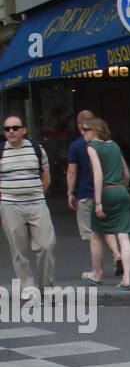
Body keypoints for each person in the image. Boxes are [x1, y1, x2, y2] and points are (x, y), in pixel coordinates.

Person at [0, 112, 55, 292]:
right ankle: (28, 287)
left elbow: (45, 176)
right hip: (10, 205)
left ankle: (46, 287)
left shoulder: (37, 149)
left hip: (37, 203)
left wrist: (39, 194)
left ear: (24, 130)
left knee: (46, 245)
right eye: (7, 129)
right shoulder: (1, 151)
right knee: (18, 249)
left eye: (15, 128)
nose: (11, 132)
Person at [82, 117, 130, 291]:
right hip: (120, 190)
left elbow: (98, 174)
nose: (83, 132)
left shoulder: (92, 147)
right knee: (123, 235)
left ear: (95, 130)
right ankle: (126, 278)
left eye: (86, 129)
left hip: (105, 192)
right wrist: (123, 187)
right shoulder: (115, 146)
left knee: (97, 234)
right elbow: (125, 172)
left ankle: (96, 274)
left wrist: (98, 202)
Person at [67, 108, 120, 280]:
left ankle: (97, 271)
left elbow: (72, 171)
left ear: (80, 125)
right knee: (106, 228)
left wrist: (69, 192)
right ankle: (117, 253)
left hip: (86, 193)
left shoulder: (76, 145)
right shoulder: (108, 143)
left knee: (93, 234)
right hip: (107, 192)